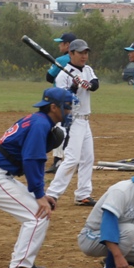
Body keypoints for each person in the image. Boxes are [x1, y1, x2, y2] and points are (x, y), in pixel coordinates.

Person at [0, 87, 76, 268]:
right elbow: (31, 160)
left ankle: (25, 262)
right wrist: (39, 195)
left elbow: (32, 160)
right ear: (53, 107)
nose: (69, 111)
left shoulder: (37, 120)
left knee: (38, 214)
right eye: (67, 107)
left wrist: (41, 194)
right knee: (36, 217)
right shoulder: (40, 125)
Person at [46, 39, 100, 206]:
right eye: (80, 53)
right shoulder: (64, 75)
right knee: (72, 159)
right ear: (71, 53)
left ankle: (83, 194)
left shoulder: (88, 69)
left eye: (86, 53)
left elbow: (95, 85)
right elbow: (63, 100)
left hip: (85, 119)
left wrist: (88, 84)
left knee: (88, 158)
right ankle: (52, 194)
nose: (84, 56)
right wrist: (75, 87)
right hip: (72, 120)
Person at [45, 33, 76, 173]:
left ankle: (57, 161)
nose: (59, 45)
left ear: (68, 45)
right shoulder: (80, 61)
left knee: (59, 129)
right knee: (74, 131)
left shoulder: (61, 59)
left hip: (59, 99)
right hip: (76, 99)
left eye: (61, 43)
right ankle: (74, 161)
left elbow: (48, 77)